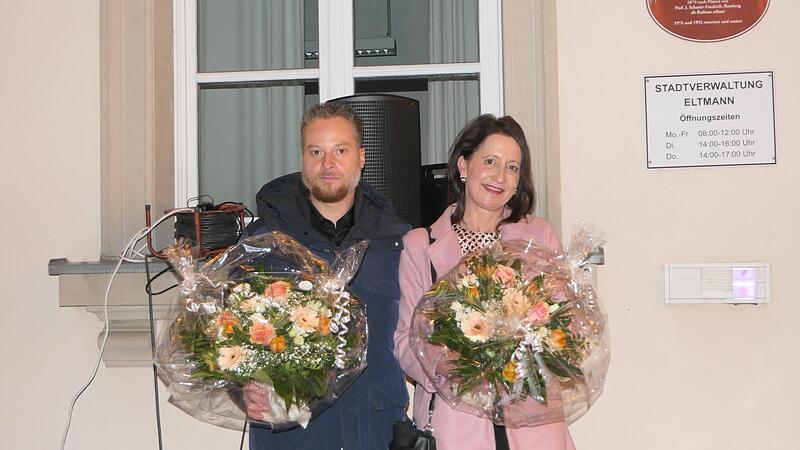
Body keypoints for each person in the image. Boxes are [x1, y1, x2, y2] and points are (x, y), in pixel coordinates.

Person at [394, 114, 577, 450]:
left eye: (512, 167)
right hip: (455, 421)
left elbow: (567, 327)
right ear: (464, 166)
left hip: (533, 420)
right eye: (490, 161)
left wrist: (537, 345)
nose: (499, 176)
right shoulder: (420, 245)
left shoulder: (539, 236)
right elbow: (405, 339)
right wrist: (449, 366)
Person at [244, 103, 410, 450]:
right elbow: (226, 332)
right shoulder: (263, 240)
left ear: (361, 158)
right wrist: (241, 384)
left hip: (374, 429)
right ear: (303, 159)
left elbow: (413, 335)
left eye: (340, 151)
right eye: (316, 151)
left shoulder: (396, 241)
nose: (328, 164)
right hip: (291, 433)